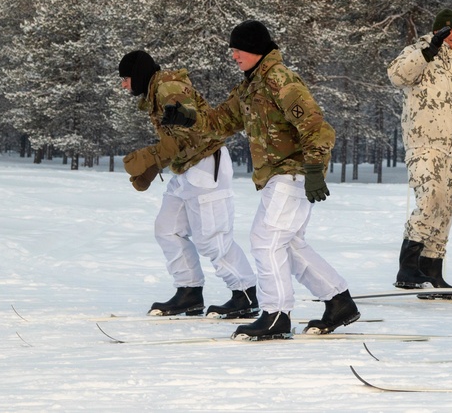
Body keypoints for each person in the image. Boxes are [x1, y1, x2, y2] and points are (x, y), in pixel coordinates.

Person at [166, 20, 358, 340]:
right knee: (289, 245)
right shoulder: (250, 86)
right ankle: (339, 301)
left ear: (255, 49)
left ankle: (276, 314)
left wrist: (313, 171)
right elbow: (219, 122)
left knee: (265, 240)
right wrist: (188, 117)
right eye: (232, 50)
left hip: (292, 172)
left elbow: (316, 126)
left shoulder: (279, 79)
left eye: (238, 49)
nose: (234, 55)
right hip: (277, 176)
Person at [118, 50, 258, 318]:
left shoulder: (169, 88)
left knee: (212, 238)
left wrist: (150, 157)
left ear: (137, 75)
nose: (124, 85)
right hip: (185, 169)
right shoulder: (156, 90)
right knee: (167, 228)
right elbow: (176, 139)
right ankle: (188, 292)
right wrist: (153, 167)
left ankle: (246, 294)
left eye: (125, 78)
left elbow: (190, 133)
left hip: (206, 164)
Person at [388, 8, 452, 290]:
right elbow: (397, 75)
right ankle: (407, 268)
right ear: (437, 31)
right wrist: (428, 48)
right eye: (448, 31)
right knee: (429, 201)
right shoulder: (420, 52)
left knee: (444, 210)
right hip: (424, 145)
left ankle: (431, 271)